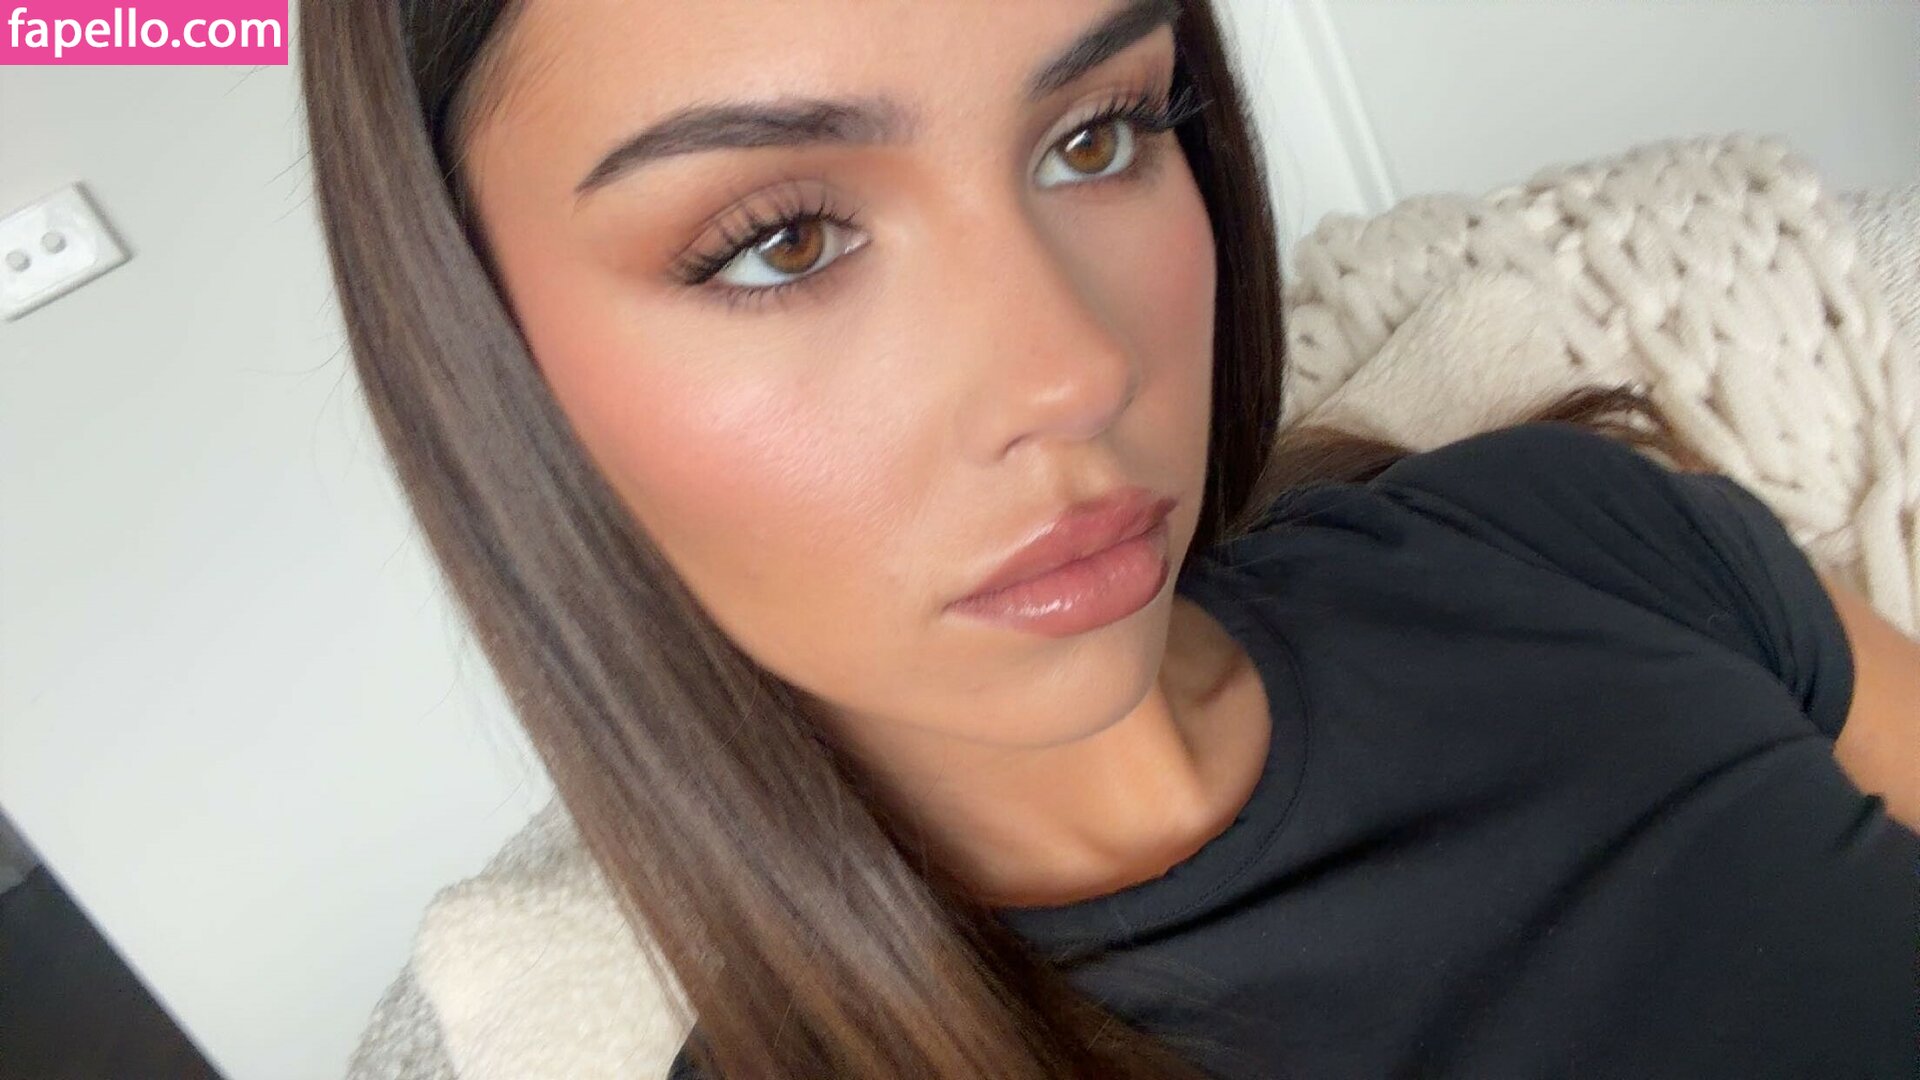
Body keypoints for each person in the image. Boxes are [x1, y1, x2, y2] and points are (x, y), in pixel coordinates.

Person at [299, 2, 1920, 1076]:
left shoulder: (1575, 528)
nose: (1075, 371)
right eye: (779, 241)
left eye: (1098, 136)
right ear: (482, 366)